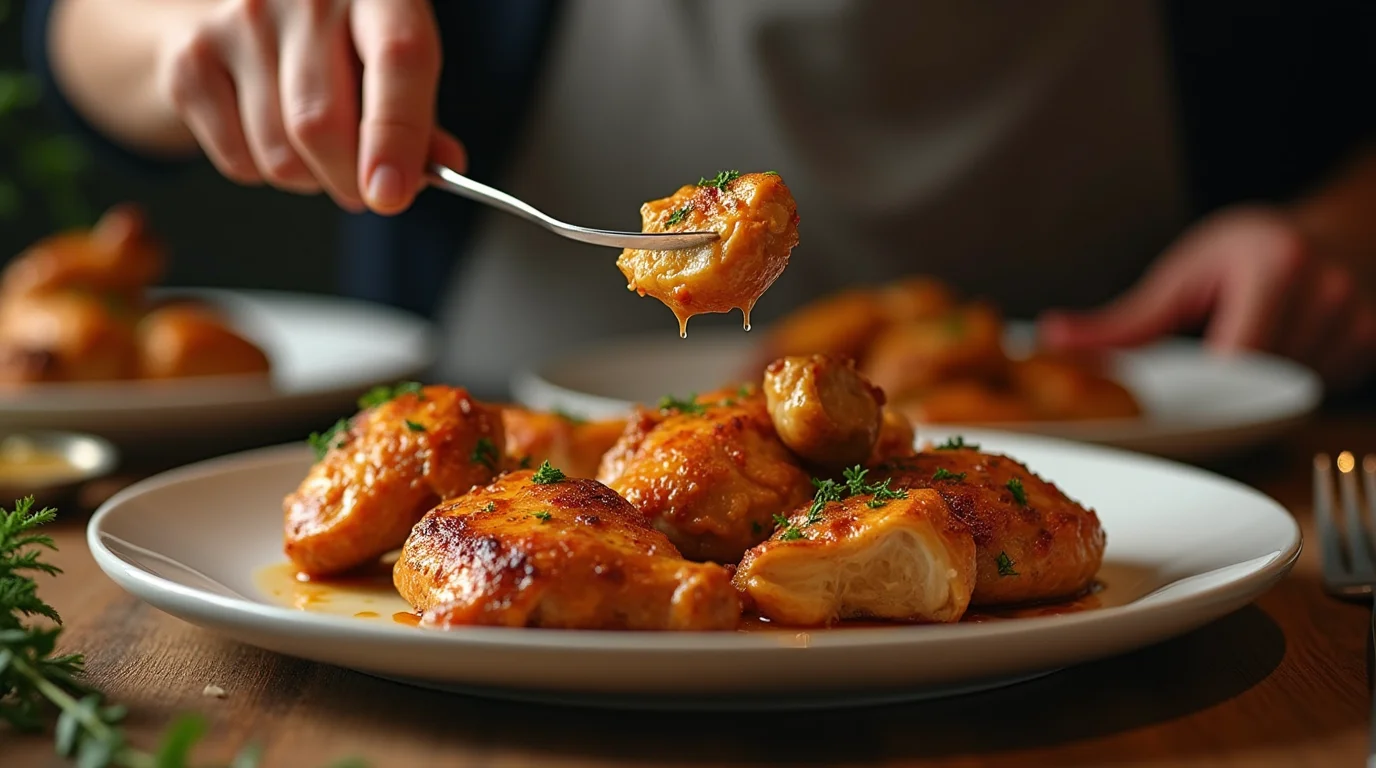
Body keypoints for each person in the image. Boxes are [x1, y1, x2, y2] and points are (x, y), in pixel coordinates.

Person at [24, 0, 1376, 397]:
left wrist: (1333, 234)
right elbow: (79, 35)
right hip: (505, 448)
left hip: (1172, 479)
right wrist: (189, 33)